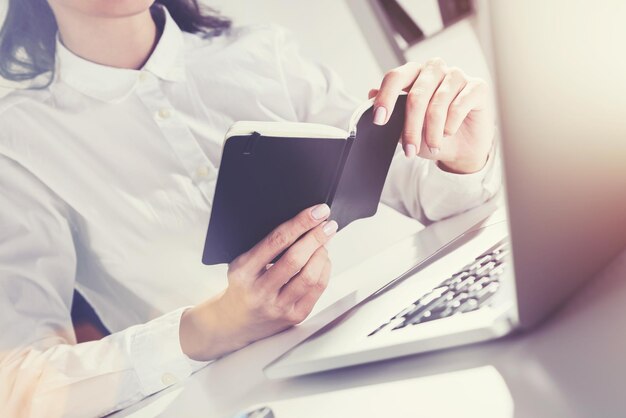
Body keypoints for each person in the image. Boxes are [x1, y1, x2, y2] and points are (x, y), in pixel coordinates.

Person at [0, 0, 500, 416]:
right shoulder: (18, 142)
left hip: (377, 351)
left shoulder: (261, 53)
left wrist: (461, 154)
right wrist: (208, 328)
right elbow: (19, 383)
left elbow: (430, 196)